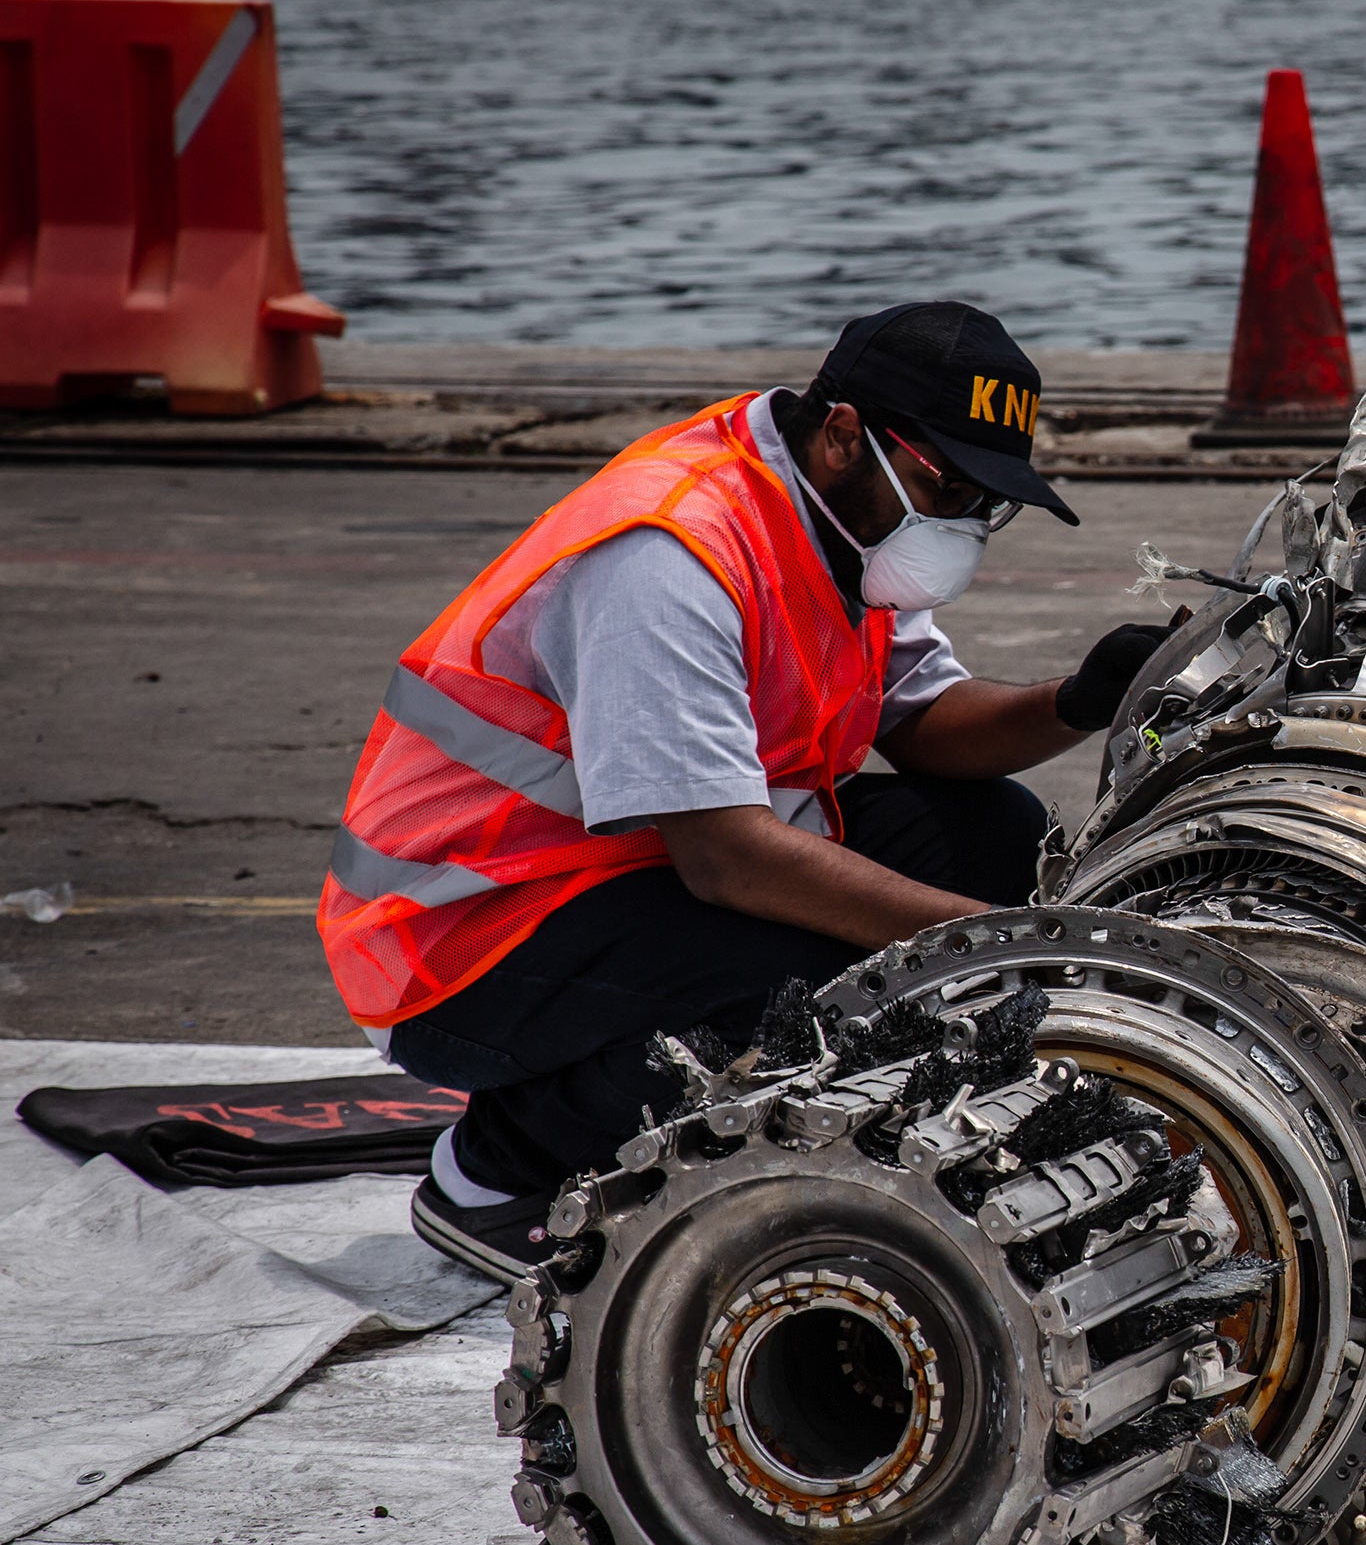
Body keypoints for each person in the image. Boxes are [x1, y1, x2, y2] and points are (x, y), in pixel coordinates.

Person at [316, 301, 1171, 1280]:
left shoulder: (839, 521)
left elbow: (928, 723)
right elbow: (727, 856)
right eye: (950, 487)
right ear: (846, 434)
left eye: (988, 502)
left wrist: (1082, 697)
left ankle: (763, 1103)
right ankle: (499, 1167)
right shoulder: (670, 552)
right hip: (462, 932)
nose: (966, 524)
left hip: (630, 870)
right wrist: (988, 943)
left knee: (995, 833)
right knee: (816, 985)